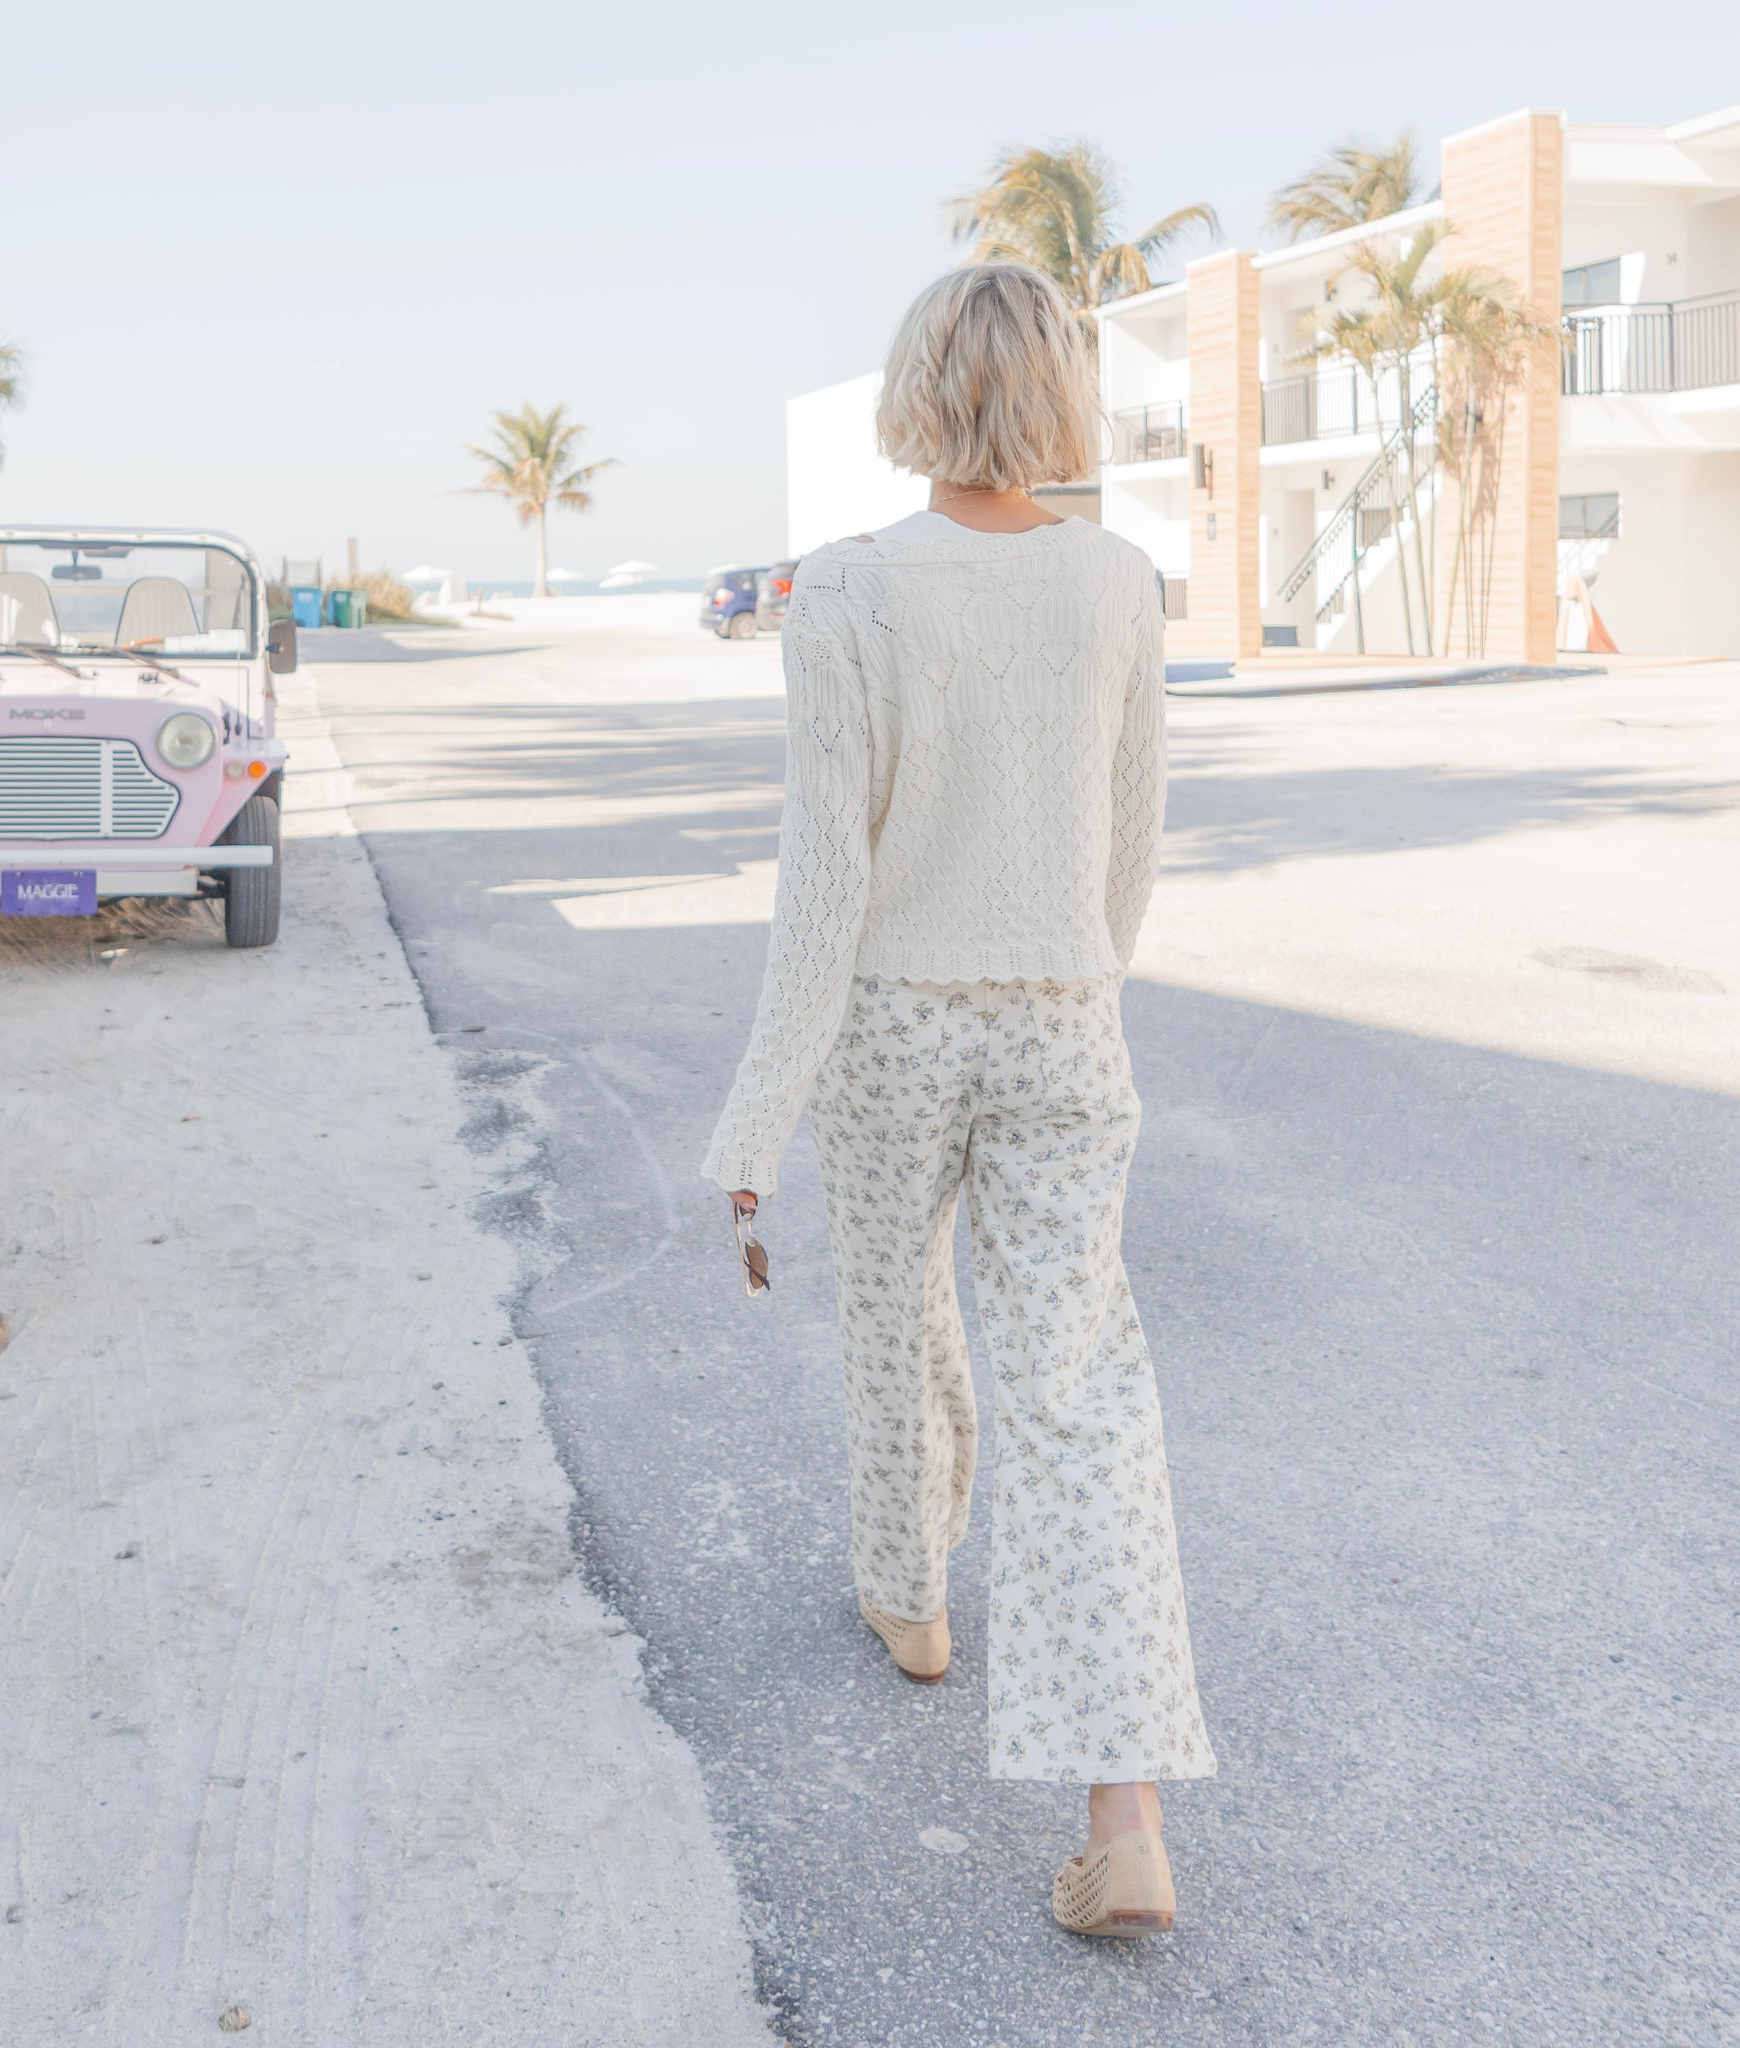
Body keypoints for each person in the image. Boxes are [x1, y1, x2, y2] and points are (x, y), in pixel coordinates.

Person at [701, 261, 1214, 1939]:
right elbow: (1128, 845)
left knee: (899, 1318)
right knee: (1082, 1386)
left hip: (898, 1022)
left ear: (913, 390)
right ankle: (1121, 1814)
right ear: (1061, 396)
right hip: (1068, 1013)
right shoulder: (1119, 583)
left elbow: (820, 885)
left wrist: (754, 1120)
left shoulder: (846, 592)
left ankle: (911, 1600)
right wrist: (1074, 977)